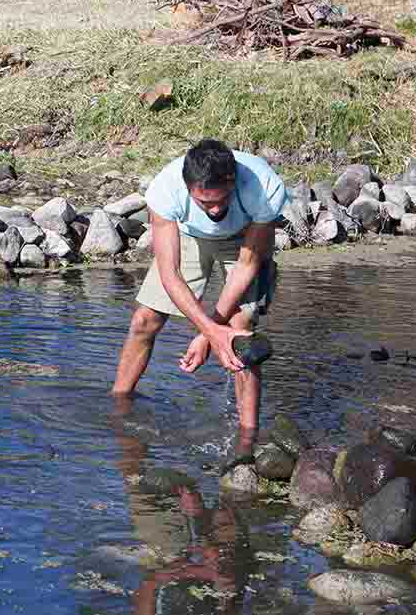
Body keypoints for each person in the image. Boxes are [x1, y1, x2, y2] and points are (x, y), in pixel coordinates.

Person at [111, 139, 286, 433]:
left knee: (239, 330)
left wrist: (210, 334)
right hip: (189, 234)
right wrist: (209, 330)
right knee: (144, 320)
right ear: (188, 186)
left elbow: (246, 267)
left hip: (244, 239)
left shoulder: (264, 189)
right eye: (206, 202)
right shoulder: (165, 190)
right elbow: (170, 275)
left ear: (233, 181)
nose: (216, 209)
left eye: (223, 199)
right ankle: (118, 404)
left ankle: (247, 437)